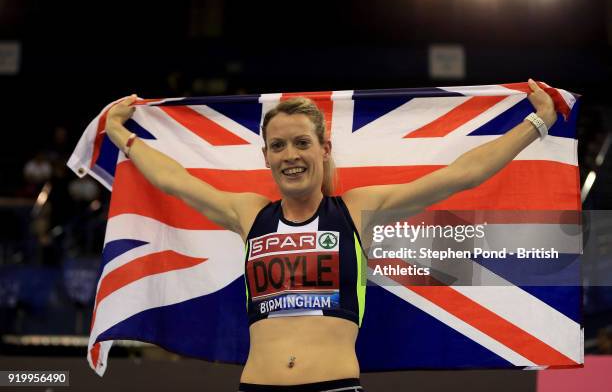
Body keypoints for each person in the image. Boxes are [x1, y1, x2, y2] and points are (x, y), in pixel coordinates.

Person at [104, 79, 557, 392]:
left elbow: (462, 174)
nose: (290, 155)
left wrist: (536, 124)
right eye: (278, 146)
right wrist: (118, 133)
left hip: (335, 385)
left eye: (302, 143)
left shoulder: (356, 210)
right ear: (266, 156)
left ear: (324, 149)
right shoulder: (249, 213)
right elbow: (173, 179)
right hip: (256, 385)